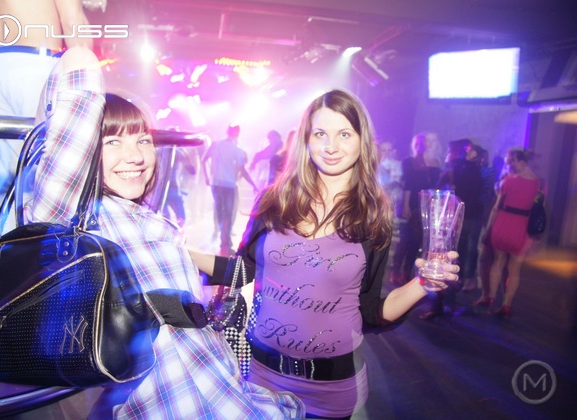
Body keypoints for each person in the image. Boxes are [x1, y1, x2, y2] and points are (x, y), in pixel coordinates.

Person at [26, 47, 303, 419]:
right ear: (82, 149)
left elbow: (174, 293)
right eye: (112, 142)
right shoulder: (75, 218)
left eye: (142, 140)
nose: (136, 156)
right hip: (170, 406)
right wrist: (74, 35)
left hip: (220, 390)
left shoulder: (144, 218)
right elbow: (79, 66)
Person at [189, 89, 460, 419]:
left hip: (330, 391)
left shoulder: (373, 216)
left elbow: (371, 311)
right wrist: (180, 253)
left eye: (344, 134)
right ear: (306, 139)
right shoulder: (274, 201)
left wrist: (423, 284)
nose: (331, 146)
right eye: (320, 134)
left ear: (361, 141)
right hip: (261, 379)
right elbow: (243, 271)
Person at [0, 0, 93, 248]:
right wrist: (91, 87)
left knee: (11, 173)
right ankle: (48, 256)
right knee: (54, 169)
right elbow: (73, 22)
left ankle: (9, 255)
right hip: (34, 62)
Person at [474, 147, 542, 318]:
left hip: (503, 223)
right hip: (523, 226)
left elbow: (496, 208)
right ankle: (507, 304)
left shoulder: (508, 180)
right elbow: (538, 208)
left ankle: (490, 298)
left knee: (498, 263)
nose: (510, 165)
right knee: (514, 269)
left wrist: (488, 229)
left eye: (512, 162)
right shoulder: (539, 183)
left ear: (521, 161)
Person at [421, 139, 483, 319]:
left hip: (452, 220)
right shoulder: (460, 169)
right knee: (449, 260)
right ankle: (443, 303)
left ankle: (441, 304)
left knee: (448, 260)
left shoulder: (462, 169)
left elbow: (466, 192)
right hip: (450, 220)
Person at [390, 132, 442, 286]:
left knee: (417, 241)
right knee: (405, 239)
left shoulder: (436, 162)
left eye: (432, 141)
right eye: (426, 141)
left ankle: (407, 272)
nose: (428, 144)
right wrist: (405, 205)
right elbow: (408, 184)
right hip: (412, 203)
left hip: (428, 205)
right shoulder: (410, 161)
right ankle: (395, 271)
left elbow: (436, 186)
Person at [202, 124, 258, 256]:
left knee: (220, 211)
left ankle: (222, 238)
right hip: (229, 186)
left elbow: (204, 160)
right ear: (237, 133)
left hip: (216, 184)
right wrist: (254, 185)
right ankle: (225, 242)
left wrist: (207, 177)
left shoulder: (216, 145)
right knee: (227, 214)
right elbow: (242, 171)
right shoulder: (236, 150)